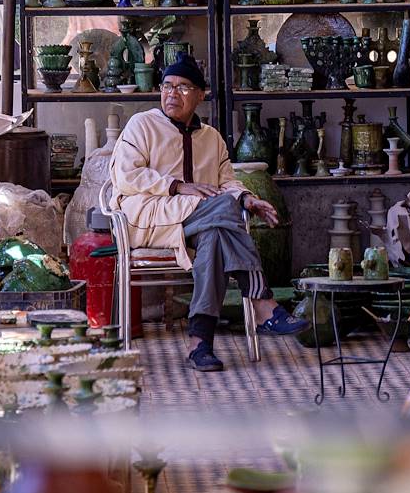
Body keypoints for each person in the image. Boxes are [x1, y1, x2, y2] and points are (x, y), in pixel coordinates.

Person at [109, 53, 309, 372]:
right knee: (218, 212)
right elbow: (126, 176)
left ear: (200, 95)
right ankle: (262, 302)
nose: (172, 93)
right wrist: (177, 186)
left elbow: (226, 182)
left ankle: (199, 342)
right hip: (148, 217)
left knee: (216, 234)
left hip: (202, 219)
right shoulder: (142, 124)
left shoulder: (211, 138)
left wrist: (246, 199)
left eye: (183, 87)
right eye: (167, 86)